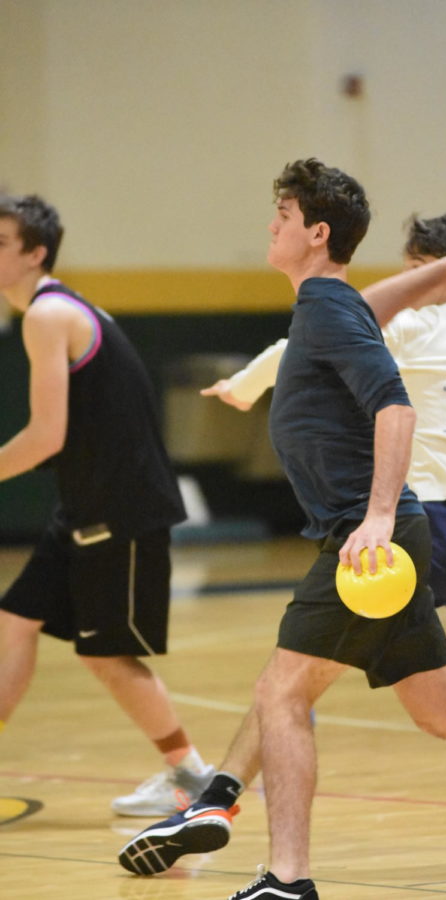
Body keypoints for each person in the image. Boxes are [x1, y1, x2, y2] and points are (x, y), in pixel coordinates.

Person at [118, 162, 446, 900]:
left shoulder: (331, 305)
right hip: (441, 534)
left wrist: (375, 515)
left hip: (370, 533)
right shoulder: (332, 304)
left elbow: (395, 408)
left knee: (281, 693)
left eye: (280, 216)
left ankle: (285, 875)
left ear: (314, 232)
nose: (268, 228)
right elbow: (370, 308)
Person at [198, 208, 446, 793]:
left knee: (296, 676)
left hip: (422, 532)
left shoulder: (409, 329)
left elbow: (299, 346)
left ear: (442, 272)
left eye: (413, 269)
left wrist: (241, 388)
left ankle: (217, 797)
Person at [0, 194, 214, 817]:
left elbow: (47, 436)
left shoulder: (47, 315)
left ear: (36, 254)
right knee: (15, 622)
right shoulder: (58, 308)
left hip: (119, 510)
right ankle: (188, 772)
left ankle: (192, 777)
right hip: (84, 507)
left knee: (108, 658)